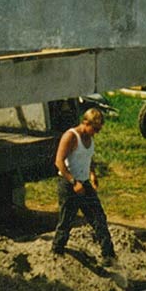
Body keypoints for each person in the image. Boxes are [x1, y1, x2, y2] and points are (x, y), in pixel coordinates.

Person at [52, 107, 116, 262]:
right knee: (66, 220)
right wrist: (73, 182)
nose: (97, 132)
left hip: (85, 183)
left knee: (98, 217)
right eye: (95, 129)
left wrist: (92, 174)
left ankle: (108, 255)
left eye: (99, 129)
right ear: (85, 122)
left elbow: (88, 158)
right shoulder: (71, 136)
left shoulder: (90, 138)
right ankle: (57, 251)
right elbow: (59, 162)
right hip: (69, 184)